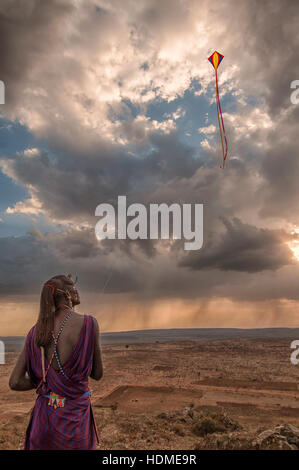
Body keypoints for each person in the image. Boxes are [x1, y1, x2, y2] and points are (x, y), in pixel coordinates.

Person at [9, 274, 103, 450]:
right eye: (72, 286)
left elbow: (15, 382)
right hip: (75, 423)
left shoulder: (35, 332)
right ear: (66, 294)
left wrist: (47, 382)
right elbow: (97, 374)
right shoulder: (89, 324)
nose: (76, 290)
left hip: (44, 423)